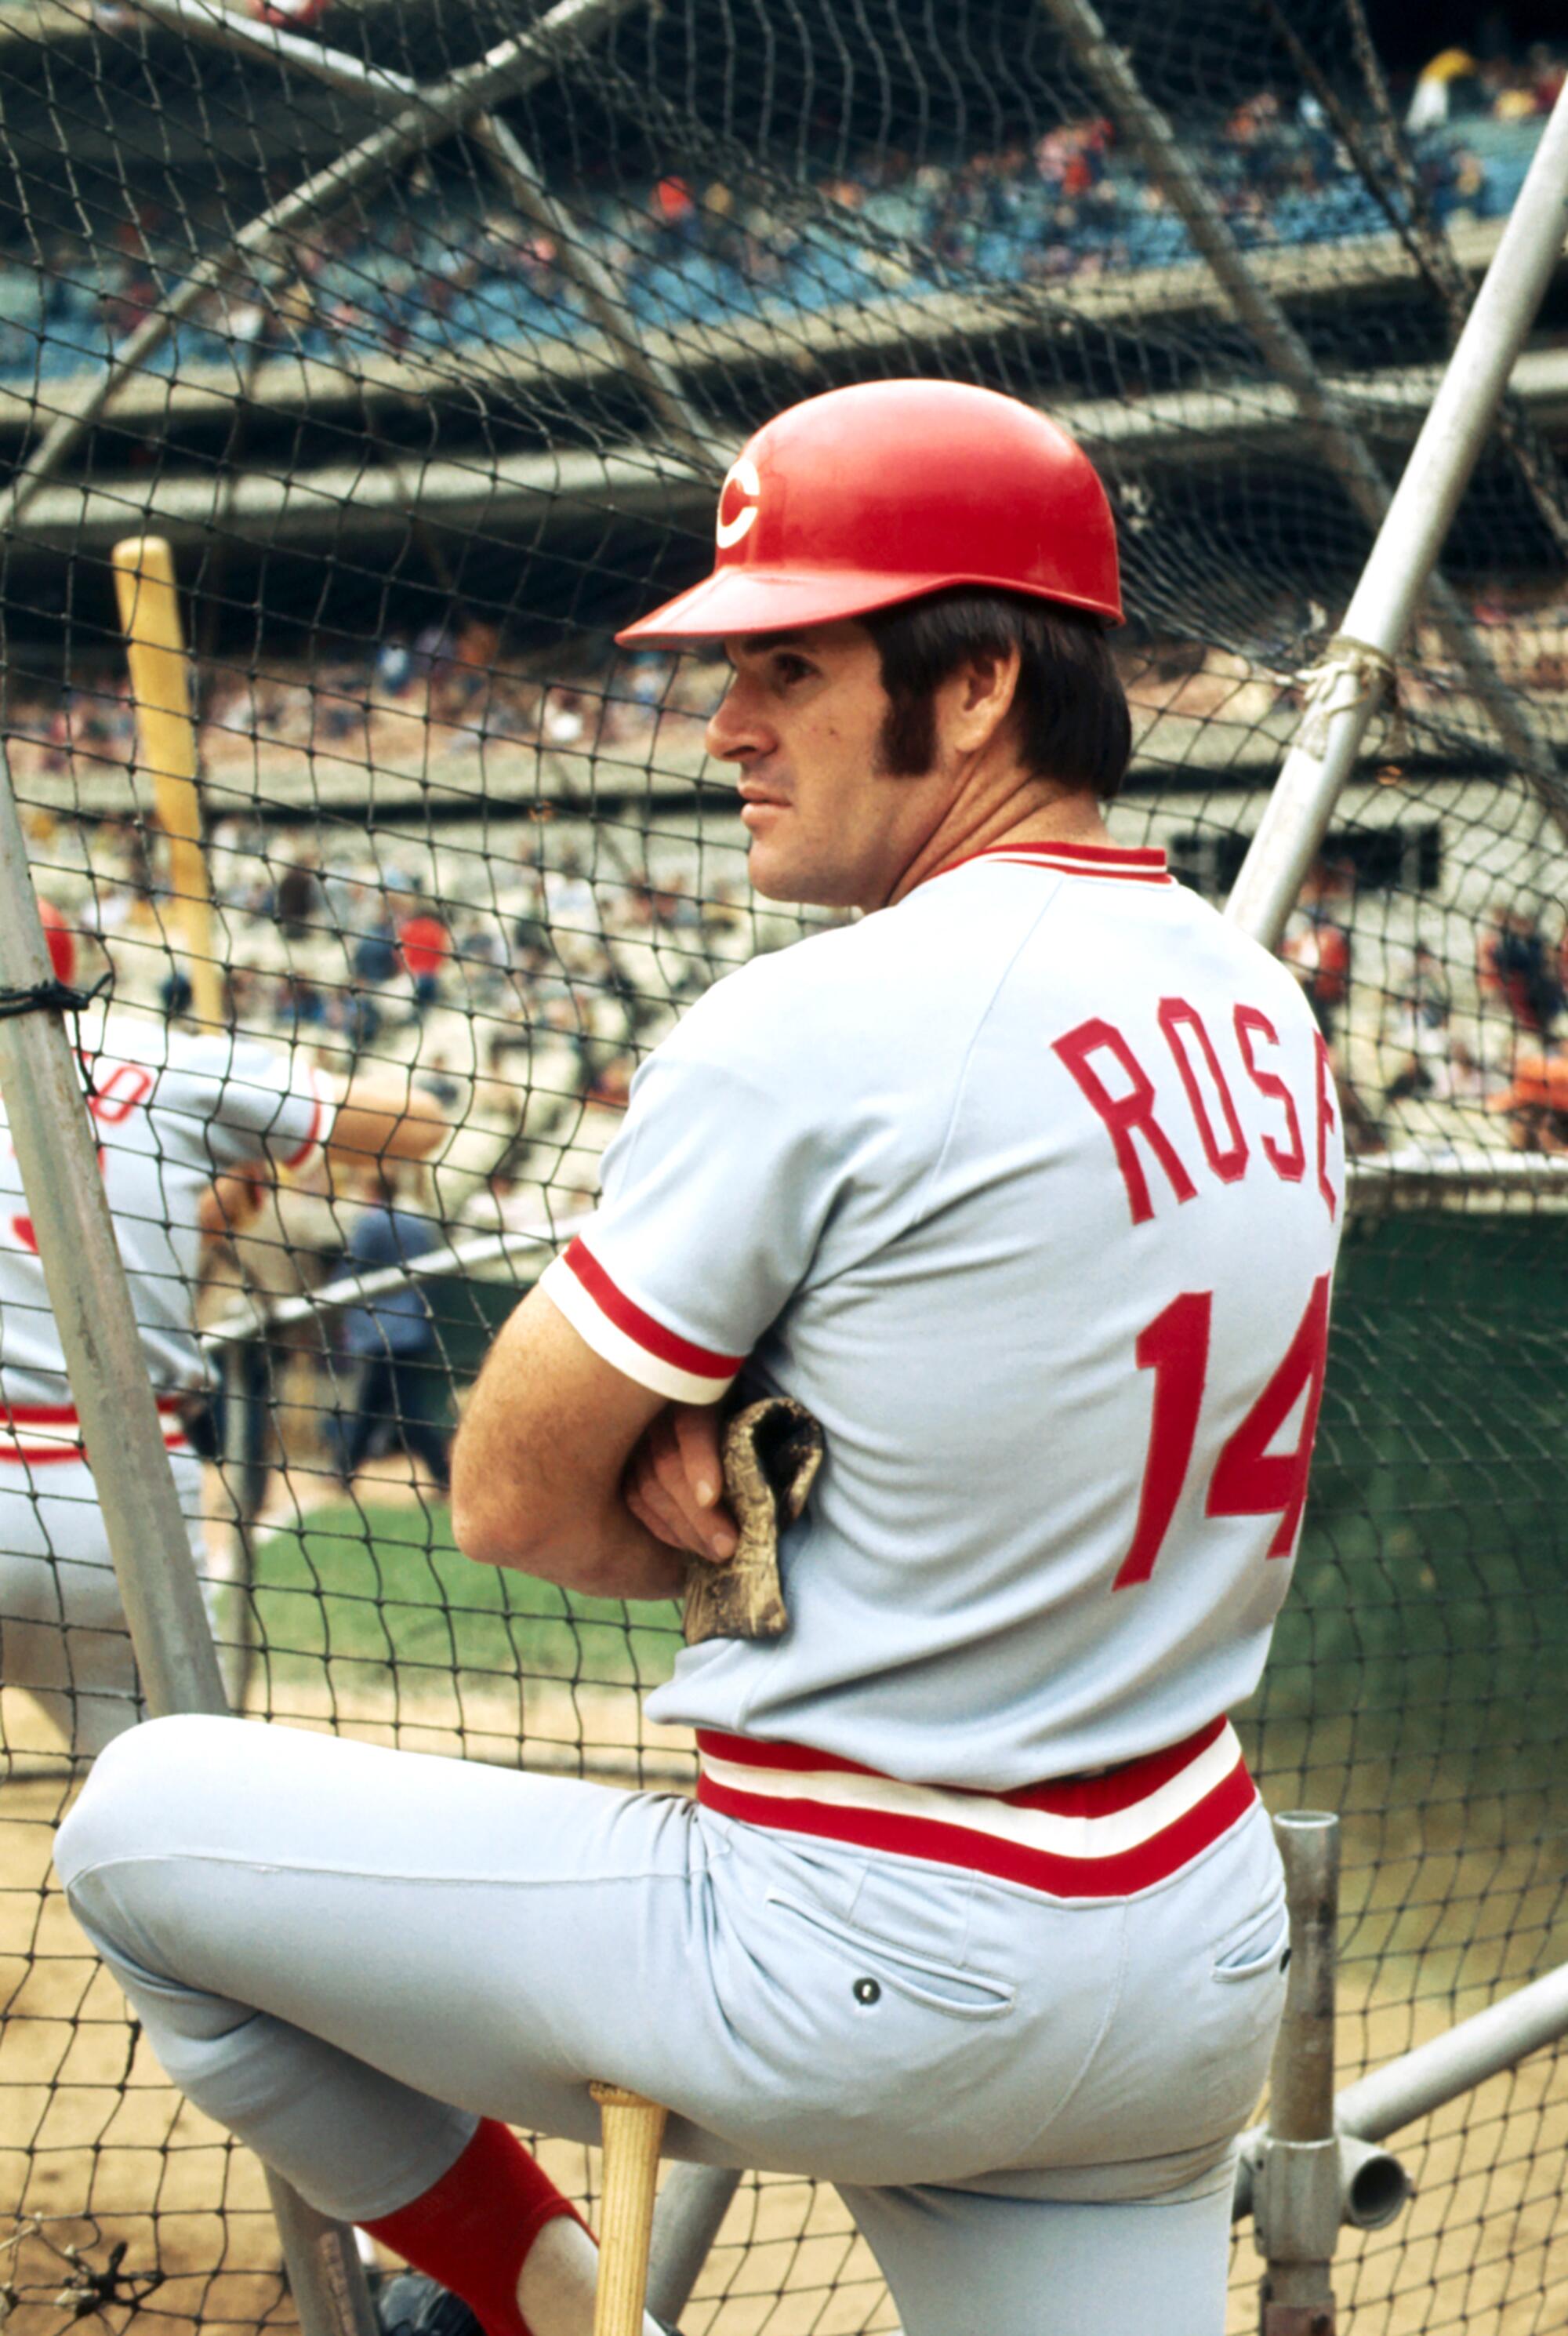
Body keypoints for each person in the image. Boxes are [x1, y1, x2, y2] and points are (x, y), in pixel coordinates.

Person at [55, 381, 1345, 2336]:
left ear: (978, 678)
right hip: (1182, 1943)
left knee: (137, 1821)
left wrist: (690, 1477)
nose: (726, 722)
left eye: (788, 665)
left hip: (857, 1940)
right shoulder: (1260, 1003)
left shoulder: (822, 1015)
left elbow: (504, 1496)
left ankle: (557, 2307)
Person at [0, 903, 445, 1755]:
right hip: (117, 1494)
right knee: (184, 1808)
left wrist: (220, 1196)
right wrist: (257, 1121)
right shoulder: (163, 1060)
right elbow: (417, 1121)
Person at [337, 1163, 452, 1495]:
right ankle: (345, 1468)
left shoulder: (370, 1225)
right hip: (413, 1327)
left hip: (382, 1330)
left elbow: (350, 1270)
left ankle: (440, 1474)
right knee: (378, 1404)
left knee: (402, 1408)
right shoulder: (417, 1225)